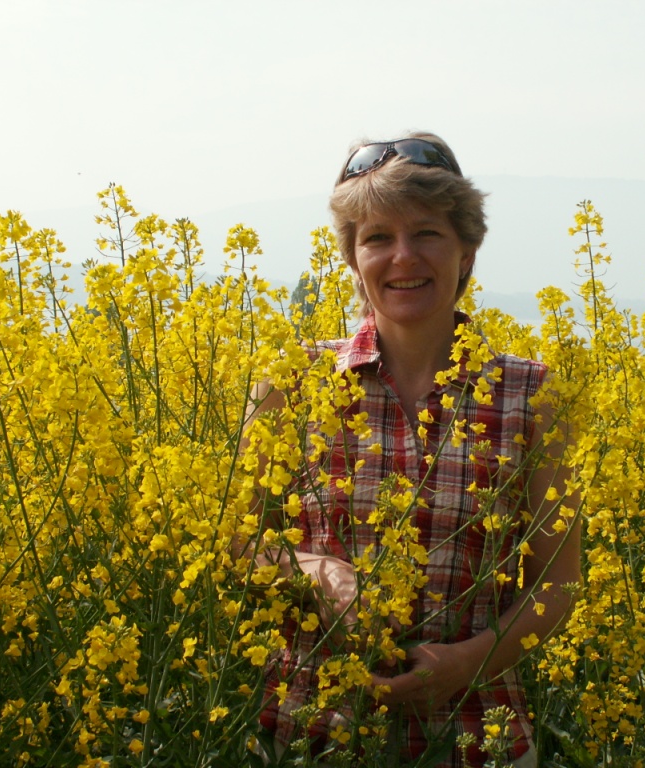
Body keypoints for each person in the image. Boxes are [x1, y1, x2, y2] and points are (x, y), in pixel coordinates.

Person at [247, 132, 581, 767]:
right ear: (353, 258)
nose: (403, 256)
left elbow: (558, 583)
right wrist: (315, 571)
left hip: (476, 738)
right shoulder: (290, 384)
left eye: (427, 233)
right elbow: (236, 543)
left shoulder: (533, 396)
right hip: (312, 736)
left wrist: (467, 662)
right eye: (378, 238)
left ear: (467, 251)